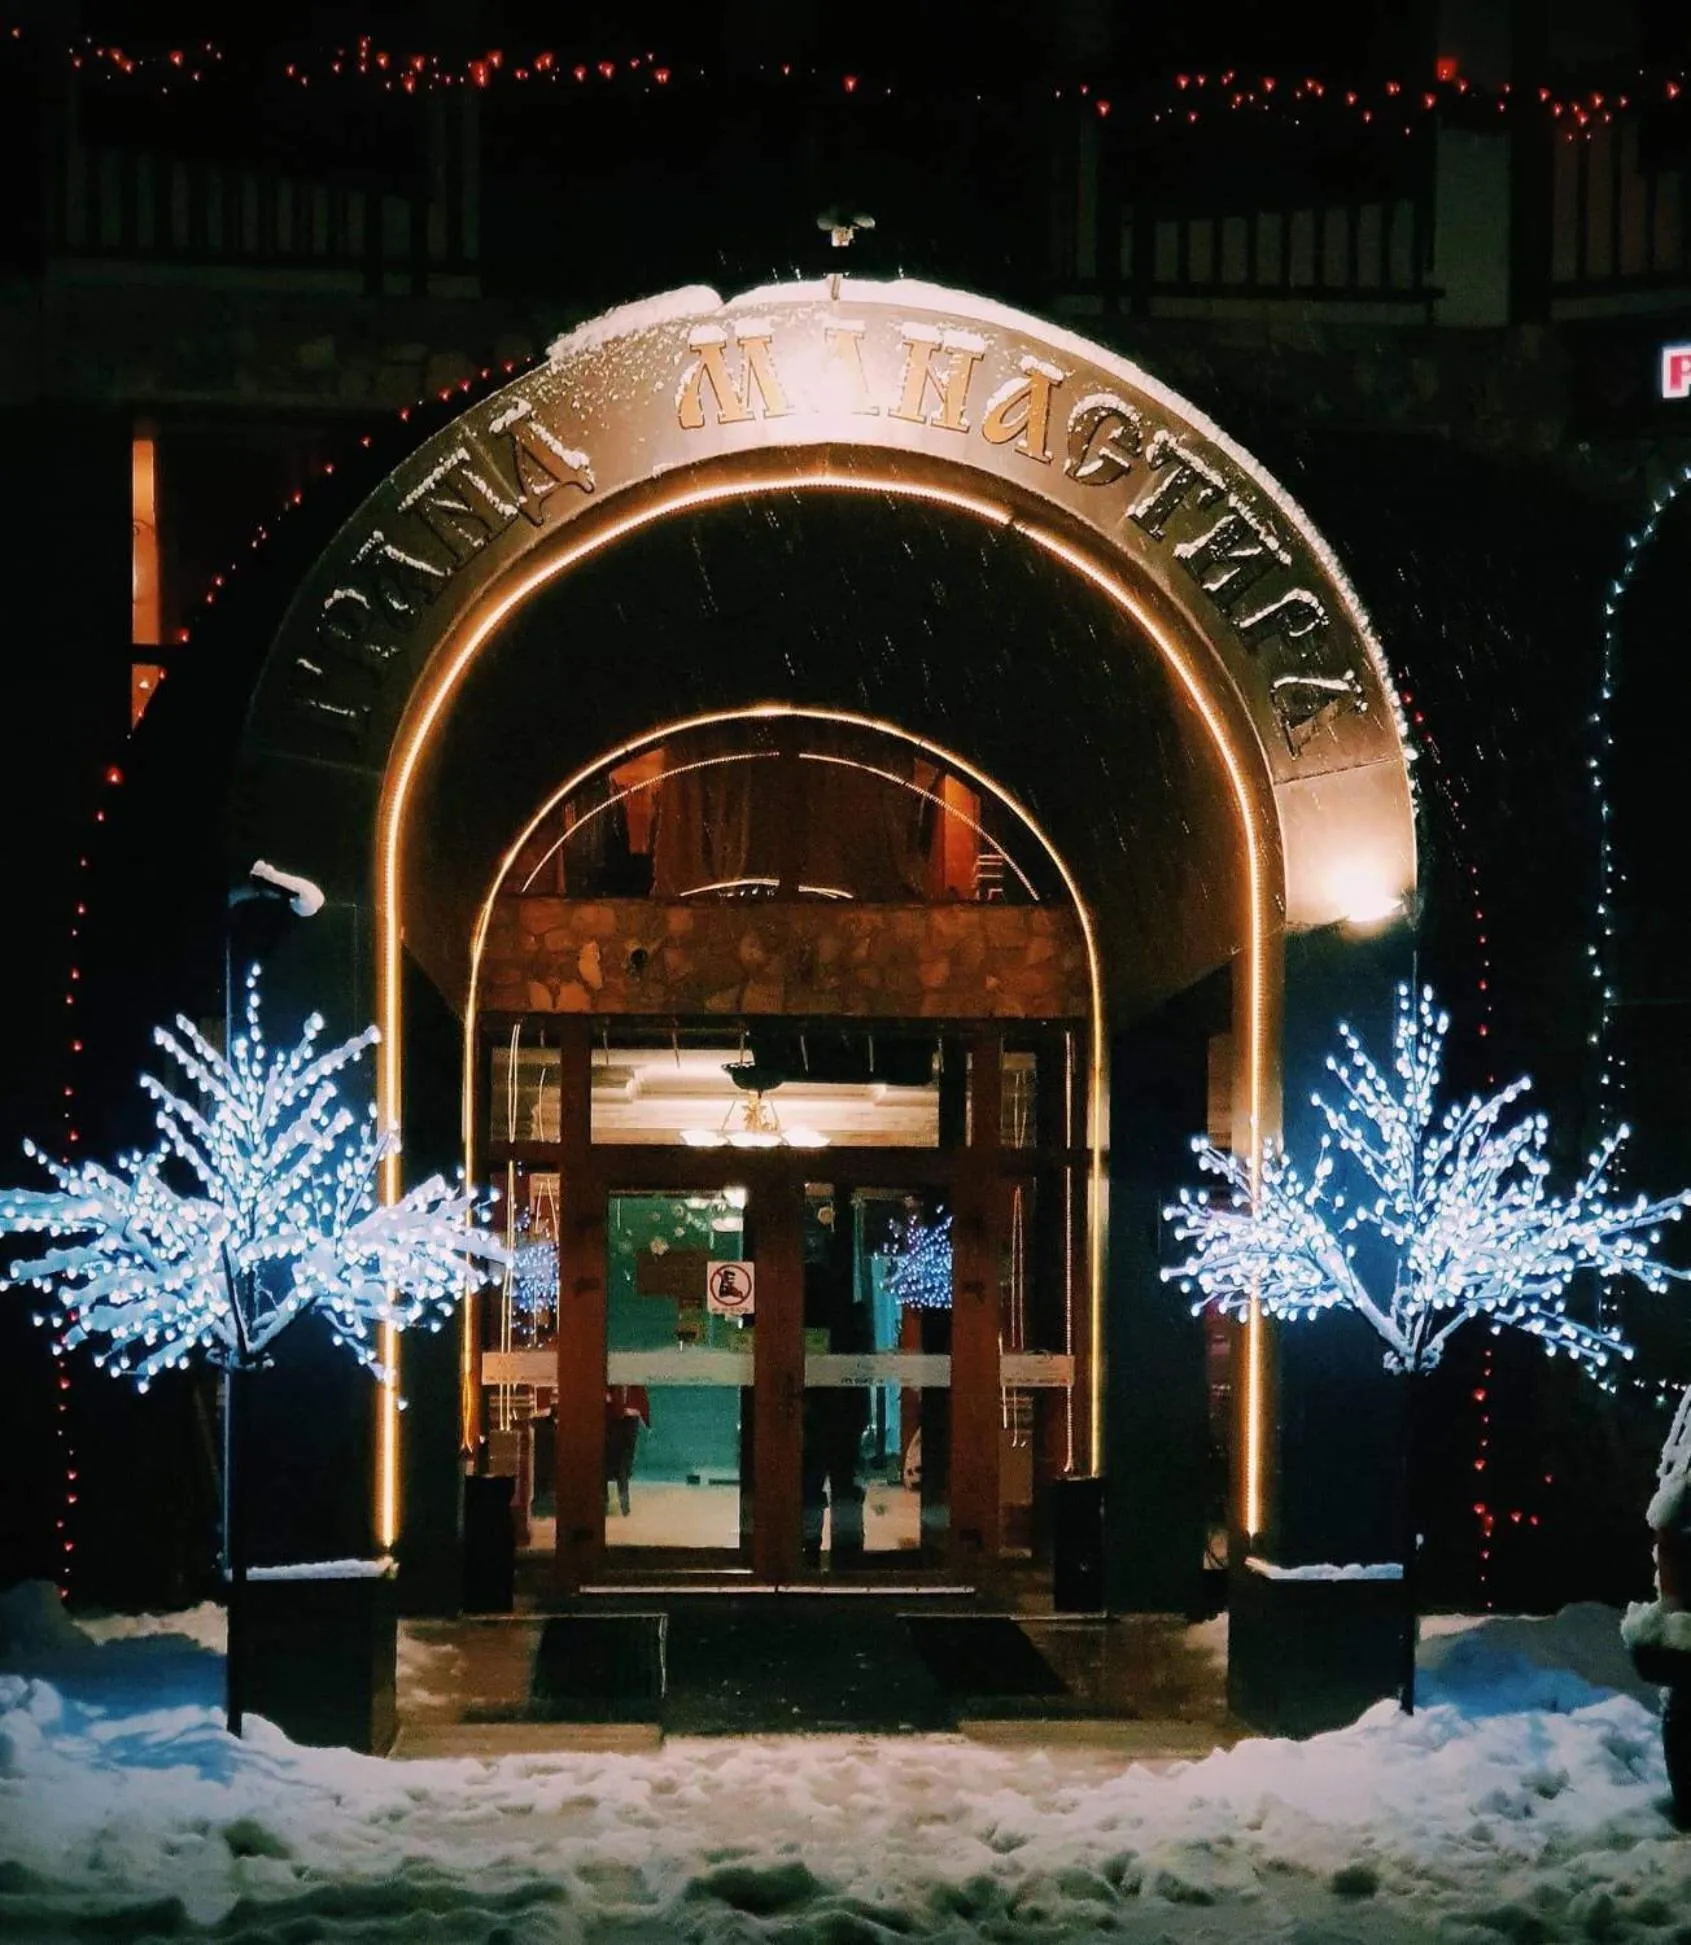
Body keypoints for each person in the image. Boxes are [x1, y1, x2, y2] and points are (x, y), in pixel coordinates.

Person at [604, 1385, 650, 1518]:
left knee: (621, 1469)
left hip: (623, 1424)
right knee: (613, 1468)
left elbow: (641, 1401)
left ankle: (621, 1508)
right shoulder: (615, 1386)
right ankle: (619, 1508)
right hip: (614, 1424)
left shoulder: (635, 1387)